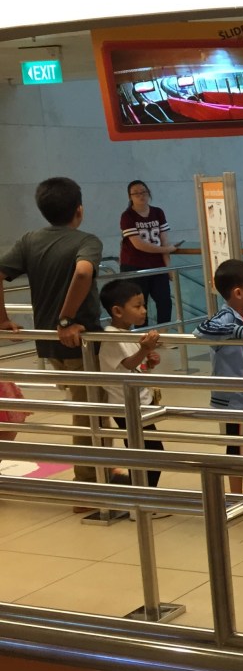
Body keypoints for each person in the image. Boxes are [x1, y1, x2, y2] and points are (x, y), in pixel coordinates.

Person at [0, 176, 103, 490]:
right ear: (79, 210)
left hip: (49, 345)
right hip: (79, 342)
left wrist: (3, 319)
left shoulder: (30, 240)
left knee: (92, 409)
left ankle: (103, 472)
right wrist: (66, 319)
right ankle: (89, 484)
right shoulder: (87, 241)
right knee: (90, 414)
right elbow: (83, 272)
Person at [194, 259, 243, 497]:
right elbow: (202, 330)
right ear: (238, 292)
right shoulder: (226, 317)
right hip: (239, 397)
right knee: (238, 445)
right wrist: (242, 331)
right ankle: (236, 495)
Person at [97, 279, 167, 492]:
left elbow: (134, 367)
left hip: (140, 404)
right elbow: (127, 364)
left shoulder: (129, 334)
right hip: (126, 407)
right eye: (137, 306)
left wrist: (149, 360)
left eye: (143, 305)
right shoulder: (111, 336)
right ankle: (141, 498)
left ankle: (142, 496)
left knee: (148, 454)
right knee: (151, 455)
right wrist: (145, 350)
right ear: (117, 311)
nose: (144, 311)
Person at [120, 180, 178, 327]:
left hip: (157, 265)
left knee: (164, 301)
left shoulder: (158, 212)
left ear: (149, 193)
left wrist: (168, 267)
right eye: (136, 193)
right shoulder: (127, 216)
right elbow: (138, 244)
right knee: (139, 304)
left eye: (143, 192)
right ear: (130, 197)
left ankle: (163, 334)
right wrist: (166, 250)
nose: (141, 195)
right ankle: (144, 335)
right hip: (134, 266)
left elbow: (164, 240)